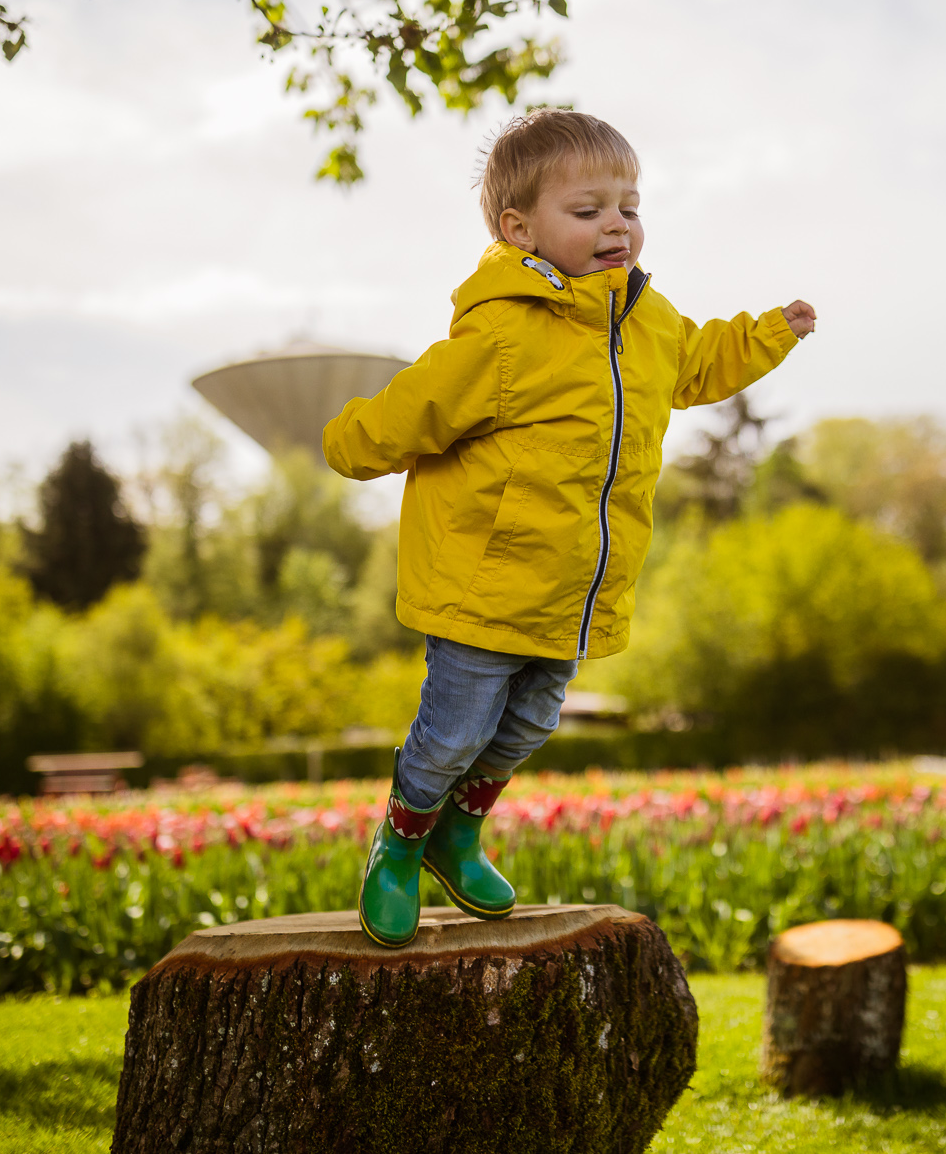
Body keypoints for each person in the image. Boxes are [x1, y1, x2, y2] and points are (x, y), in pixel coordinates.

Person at [323, 110, 815, 948]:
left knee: (528, 726)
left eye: (629, 206)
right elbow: (419, 406)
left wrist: (768, 334)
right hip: (485, 581)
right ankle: (400, 844)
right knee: (453, 732)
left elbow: (700, 364)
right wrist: (349, 440)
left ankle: (458, 832)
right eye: (588, 212)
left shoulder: (648, 326)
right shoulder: (502, 333)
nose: (617, 225)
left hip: (572, 591)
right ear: (520, 231)